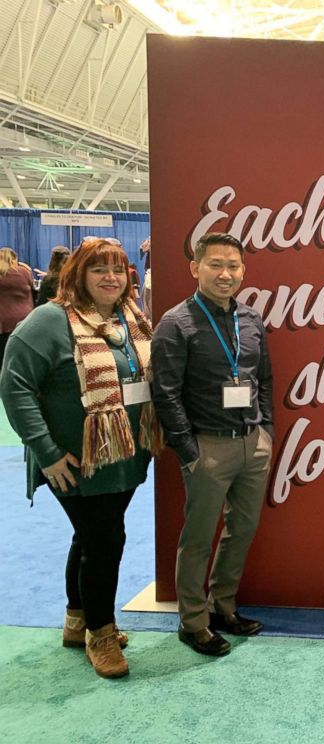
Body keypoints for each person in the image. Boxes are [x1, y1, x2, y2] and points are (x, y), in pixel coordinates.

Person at [0, 237, 162, 679]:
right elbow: (15, 388)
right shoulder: (48, 321)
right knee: (105, 541)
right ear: (77, 274)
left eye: (118, 269)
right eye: (98, 269)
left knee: (90, 538)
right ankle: (101, 633)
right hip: (72, 460)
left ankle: (77, 620)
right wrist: (47, 453)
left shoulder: (130, 318)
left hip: (123, 457)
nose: (110, 278)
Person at [151, 232, 273, 657]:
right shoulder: (175, 323)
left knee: (242, 530)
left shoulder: (252, 320)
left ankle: (224, 607)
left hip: (251, 444)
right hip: (207, 447)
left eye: (233, 266)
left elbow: (264, 380)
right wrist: (188, 453)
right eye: (215, 264)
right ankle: (193, 622)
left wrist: (267, 432)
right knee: (199, 538)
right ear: (195, 268)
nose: (225, 274)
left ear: (243, 271)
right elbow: (164, 393)